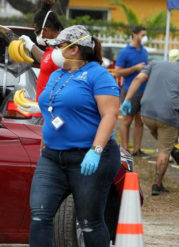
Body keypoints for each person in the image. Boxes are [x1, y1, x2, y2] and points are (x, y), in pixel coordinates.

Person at [29, 25, 121, 247]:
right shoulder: (57, 75)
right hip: (52, 158)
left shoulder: (98, 75)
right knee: (39, 216)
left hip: (87, 158)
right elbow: (51, 109)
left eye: (59, 46)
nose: (55, 52)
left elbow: (110, 114)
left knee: (90, 222)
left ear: (75, 49)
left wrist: (96, 150)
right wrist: (46, 138)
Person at [121, 60, 179, 196]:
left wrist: (127, 99)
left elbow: (138, 78)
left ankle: (171, 148)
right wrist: (176, 134)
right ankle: (157, 184)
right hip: (168, 115)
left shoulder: (155, 64)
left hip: (146, 113)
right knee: (164, 149)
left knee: (163, 139)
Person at [18, 2, 63, 113]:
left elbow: (48, 60)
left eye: (37, 31)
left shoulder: (62, 51)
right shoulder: (50, 49)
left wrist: (30, 44)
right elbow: (45, 60)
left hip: (56, 112)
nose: (36, 35)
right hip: (47, 112)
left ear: (46, 30)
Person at [115, 26, 149, 157]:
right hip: (130, 90)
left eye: (145, 35)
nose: (144, 37)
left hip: (143, 90)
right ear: (134, 35)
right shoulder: (125, 52)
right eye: (142, 34)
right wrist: (134, 68)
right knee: (127, 121)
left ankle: (137, 149)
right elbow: (117, 72)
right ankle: (124, 149)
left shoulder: (144, 51)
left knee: (140, 121)